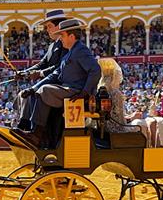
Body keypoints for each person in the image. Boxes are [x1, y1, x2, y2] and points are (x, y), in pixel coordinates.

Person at [14, 18, 101, 148]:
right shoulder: (68, 54)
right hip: (67, 89)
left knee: (45, 90)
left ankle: (37, 134)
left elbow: (95, 70)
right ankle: (27, 127)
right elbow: (55, 75)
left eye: (62, 35)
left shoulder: (81, 50)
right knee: (37, 92)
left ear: (71, 36)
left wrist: (85, 92)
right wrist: (33, 88)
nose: (60, 39)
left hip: (75, 91)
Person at [12, 9, 68, 129]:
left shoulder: (66, 43)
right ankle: (24, 124)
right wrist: (25, 72)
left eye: (49, 26)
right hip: (51, 81)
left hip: (60, 83)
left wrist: (39, 74)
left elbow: (59, 67)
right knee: (24, 93)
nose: (47, 30)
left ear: (59, 26)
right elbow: (42, 63)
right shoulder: (52, 45)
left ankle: (29, 127)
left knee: (33, 94)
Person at [96, 57, 140, 134]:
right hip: (115, 130)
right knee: (142, 125)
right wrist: (132, 118)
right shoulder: (116, 94)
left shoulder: (98, 91)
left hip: (101, 129)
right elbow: (120, 122)